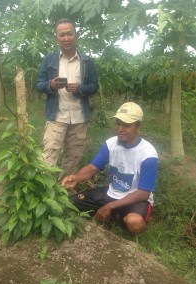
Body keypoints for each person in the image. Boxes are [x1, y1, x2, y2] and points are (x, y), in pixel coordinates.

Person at [62, 102, 159, 235]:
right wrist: (75, 178)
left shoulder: (148, 154)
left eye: (126, 125)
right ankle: (114, 216)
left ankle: (116, 216)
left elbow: (143, 193)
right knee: (70, 203)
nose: (120, 128)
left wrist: (110, 206)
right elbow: (92, 167)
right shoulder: (111, 144)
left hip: (135, 199)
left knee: (134, 223)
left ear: (138, 127)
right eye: (118, 123)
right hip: (111, 192)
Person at [36, 18, 99, 180]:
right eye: (62, 34)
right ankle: (45, 192)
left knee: (72, 160)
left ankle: (63, 194)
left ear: (75, 35)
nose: (66, 38)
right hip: (56, 116)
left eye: (69, 34)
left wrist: (79, 89)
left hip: (79, 118)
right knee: (48, 157)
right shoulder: (49, 59)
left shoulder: (87, 61)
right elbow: (39, 84)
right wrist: (51, 85)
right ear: (57, 37)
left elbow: (94, 86)